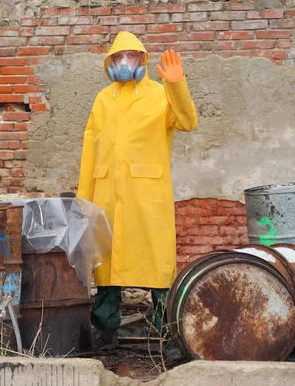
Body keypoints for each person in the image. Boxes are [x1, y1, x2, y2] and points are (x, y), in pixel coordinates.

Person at [76, 31, 198, 356]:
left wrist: (176, 84)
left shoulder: (160, 95)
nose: (124, 62)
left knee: (157, 268)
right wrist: (83, 201)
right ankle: (105, 334)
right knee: (107, 269)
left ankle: (167, 338)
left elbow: (187, 121)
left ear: (142, 59)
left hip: (148, 199)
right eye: (118, 57)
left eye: (131, 56)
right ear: (110, 62)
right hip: (107, 198)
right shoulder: (102, 100)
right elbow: (90, 152)